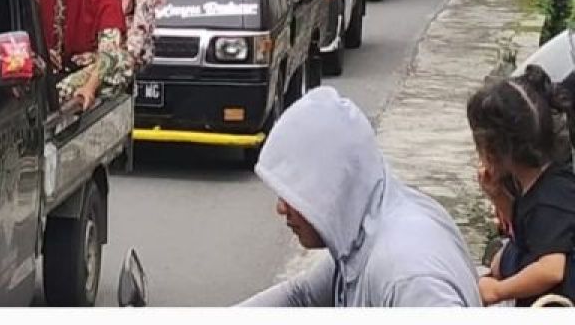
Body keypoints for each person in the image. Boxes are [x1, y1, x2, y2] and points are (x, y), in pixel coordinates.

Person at [239, 87, 482, 307]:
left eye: (292, 191)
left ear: (329, 184)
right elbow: (300, 297)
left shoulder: (406, 274)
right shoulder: (361, 231)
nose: (281, 208)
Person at [467, 67, 575, 306]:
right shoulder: (533, 185)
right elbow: (526, 236)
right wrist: (498, 197)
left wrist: (498, 291)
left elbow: (551, 269)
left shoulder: (552, 197)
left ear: (493, 150)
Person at [31, 0, 130, 112]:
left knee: (121, 63)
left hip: (90, 70)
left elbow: (110, 51)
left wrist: (89, 88)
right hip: (50, 73)